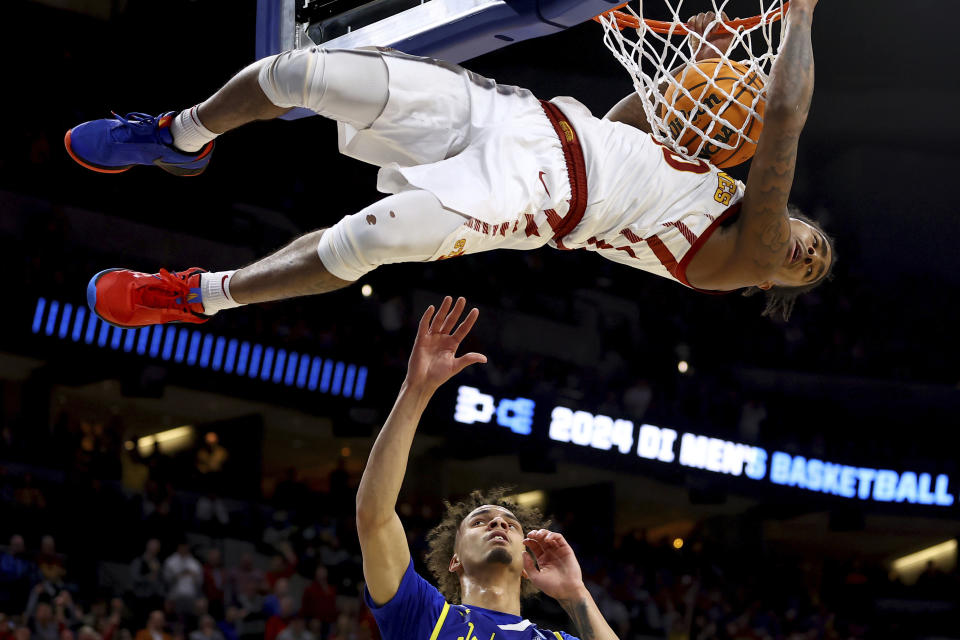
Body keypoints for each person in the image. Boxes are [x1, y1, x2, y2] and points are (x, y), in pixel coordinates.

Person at [68, 1, 829, 324]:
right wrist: (696, 65)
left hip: (527, 198)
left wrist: (797, 19)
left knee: (364, 241)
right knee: (302, 72)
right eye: (816, 244)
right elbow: (623, 131)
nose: (806, 251)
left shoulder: (746, 254)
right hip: (524, 117)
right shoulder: (702, 187)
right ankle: (183, 135)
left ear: (772, 280)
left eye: (808, 268)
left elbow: (784, 127)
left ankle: (201, 296)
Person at [352, 295, 618, 640]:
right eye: (479, 522)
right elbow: (374, 515)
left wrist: (575, 595)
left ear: (527, 563)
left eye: (511, 524)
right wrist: (416, 389)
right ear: (455, 559)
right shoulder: (424, 615)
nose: (497, 522)